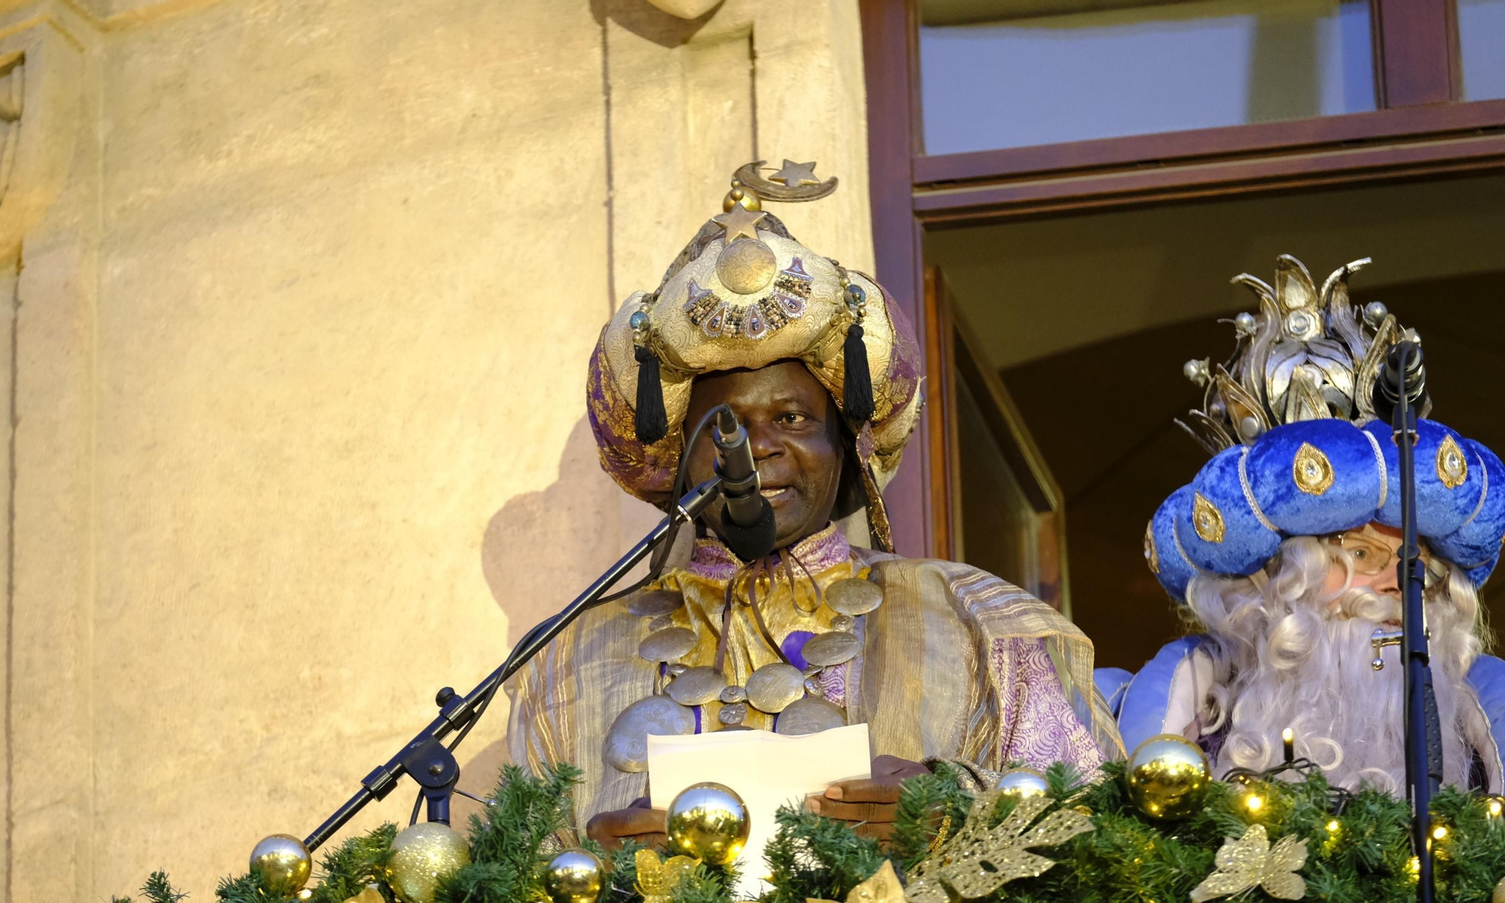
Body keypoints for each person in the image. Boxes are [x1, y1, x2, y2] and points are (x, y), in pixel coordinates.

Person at [505, 162, 1124, 847]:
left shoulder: (981, 625)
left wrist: (957, 809)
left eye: (794, 418)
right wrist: (598, 874)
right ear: (680, 460)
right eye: (724, 427)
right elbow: (501, 871)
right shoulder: (568, 664)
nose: (759, 447)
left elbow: (1114, 835)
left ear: (845, 443)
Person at [1117, 255, 1505, 794]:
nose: (1400, 585)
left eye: (1419, 568)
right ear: (1274, 584)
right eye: (1362, 555)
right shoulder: (1190, 720)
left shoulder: (1483, 723)